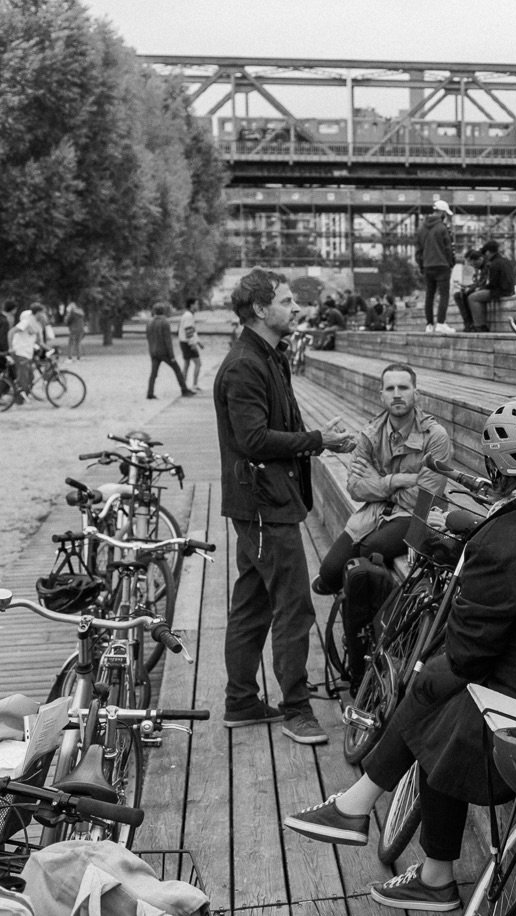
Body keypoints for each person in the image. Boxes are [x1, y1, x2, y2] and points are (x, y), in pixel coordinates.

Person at [283, 398, 516, 911]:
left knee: (435, 687)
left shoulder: (502, 539)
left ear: (496, 466)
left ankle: (377, 823)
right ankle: (402, 847)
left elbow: (470, 655)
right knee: (442, 699)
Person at [214, 268, 357, 744]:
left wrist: (319, 436)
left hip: (266, 502)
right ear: (260, 308)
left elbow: (275, 423)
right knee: (294, 608)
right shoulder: (243, 365)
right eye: (288, 300)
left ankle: (240, 701)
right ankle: (295, 708)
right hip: (262, 505)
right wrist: (320, 440)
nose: (297, 308)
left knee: (253, 603)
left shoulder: (269, 356)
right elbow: (253, 439)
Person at [311, 362, 452, 595]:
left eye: (403, 388)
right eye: (390, 388)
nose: (397, 394)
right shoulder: (370, 433)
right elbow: (355, 488)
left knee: (372, 547)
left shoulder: (435, 436)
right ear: (381, 395)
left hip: (420, 515)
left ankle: (366, 610)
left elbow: (425, 495)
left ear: (416, 393)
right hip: (375, 511)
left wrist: (377, 481)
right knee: (328, 575)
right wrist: (397, 480)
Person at [416, 199, 457, 334]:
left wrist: (422, 266)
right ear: (442, 212)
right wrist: (451, 263)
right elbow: (448, 248)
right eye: (445, 213)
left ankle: (429, 325)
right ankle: (440, 323)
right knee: (444, 294)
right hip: (442, 265)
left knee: (429, 295)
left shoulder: (422, 228)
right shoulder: (442, 228)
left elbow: (419, 250)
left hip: (428, 266)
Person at [145, 304, 193, 400]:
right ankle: (184, 389)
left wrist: (151, 351)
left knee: (153, 373)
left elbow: (148, 338)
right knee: (177, 370)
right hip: (164, 352)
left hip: (153, 351)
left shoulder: (149, 323)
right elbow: (168, 341)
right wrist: (171, 355)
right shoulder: (164, 323)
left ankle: (150, 392)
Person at [465, 240, 515, 332]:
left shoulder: (494, 264)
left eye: (485, 253)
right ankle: (479, 324)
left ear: (488, 252)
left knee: (472, 297)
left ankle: (480, 325)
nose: (485, 256)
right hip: (508, 289)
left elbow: (493, 284)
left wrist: (480, 289)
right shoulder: (505, 260)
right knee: (478, 294)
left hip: (500, 291)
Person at [452, 248, 484, 331]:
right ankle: (468, 323)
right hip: (476, 287)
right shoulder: (472, 267)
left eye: (470, 261)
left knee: (464, 294)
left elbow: (481, 282)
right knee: (458, 294)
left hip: (481, 288)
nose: (470, 263)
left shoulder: (481, 266)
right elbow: (476, 281)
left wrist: (470, 287)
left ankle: (471, 323)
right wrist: (467, 286)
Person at [178, 298, 204, 390]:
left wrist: (198, 342)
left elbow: (192, 331)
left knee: (187, 364)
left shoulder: (188, 315)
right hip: (188, 343)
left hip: (184, 342)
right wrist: (193, 344)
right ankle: (194, 384)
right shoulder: (188, 316)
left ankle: (183, 385)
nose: (198, 306)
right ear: (192, 305)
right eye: (196, 304)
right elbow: (188, 331)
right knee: (198, 363)